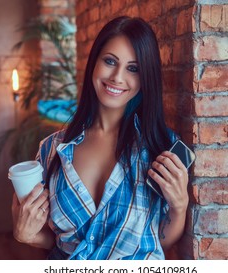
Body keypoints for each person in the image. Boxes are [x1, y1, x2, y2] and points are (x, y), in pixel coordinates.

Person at [11, 16, 189, 260]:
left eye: (133, 68)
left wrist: (179, 207)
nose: (117, 77)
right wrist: (26, 235)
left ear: (145, 77)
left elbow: (159, 240)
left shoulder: (161, 146)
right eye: (110, 61)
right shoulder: (51, 150)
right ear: (94, 62)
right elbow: (56, 241)